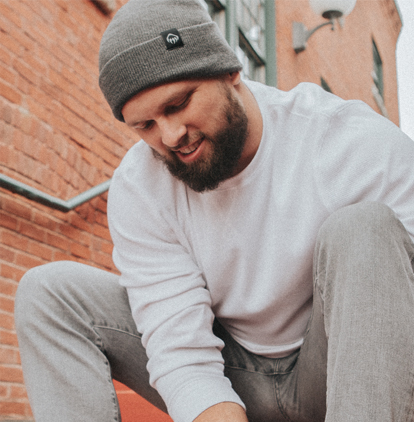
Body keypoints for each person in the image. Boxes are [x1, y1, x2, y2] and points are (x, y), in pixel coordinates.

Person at [14, 0, 414, 421]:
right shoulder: (140, 187)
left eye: (178, 104)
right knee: (49, 292)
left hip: (339, 370)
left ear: (230, 71)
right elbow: (183, 356)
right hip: (233, 373)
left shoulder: (350, 141)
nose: (170, 136)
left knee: (365, 228)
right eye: (145, 126)